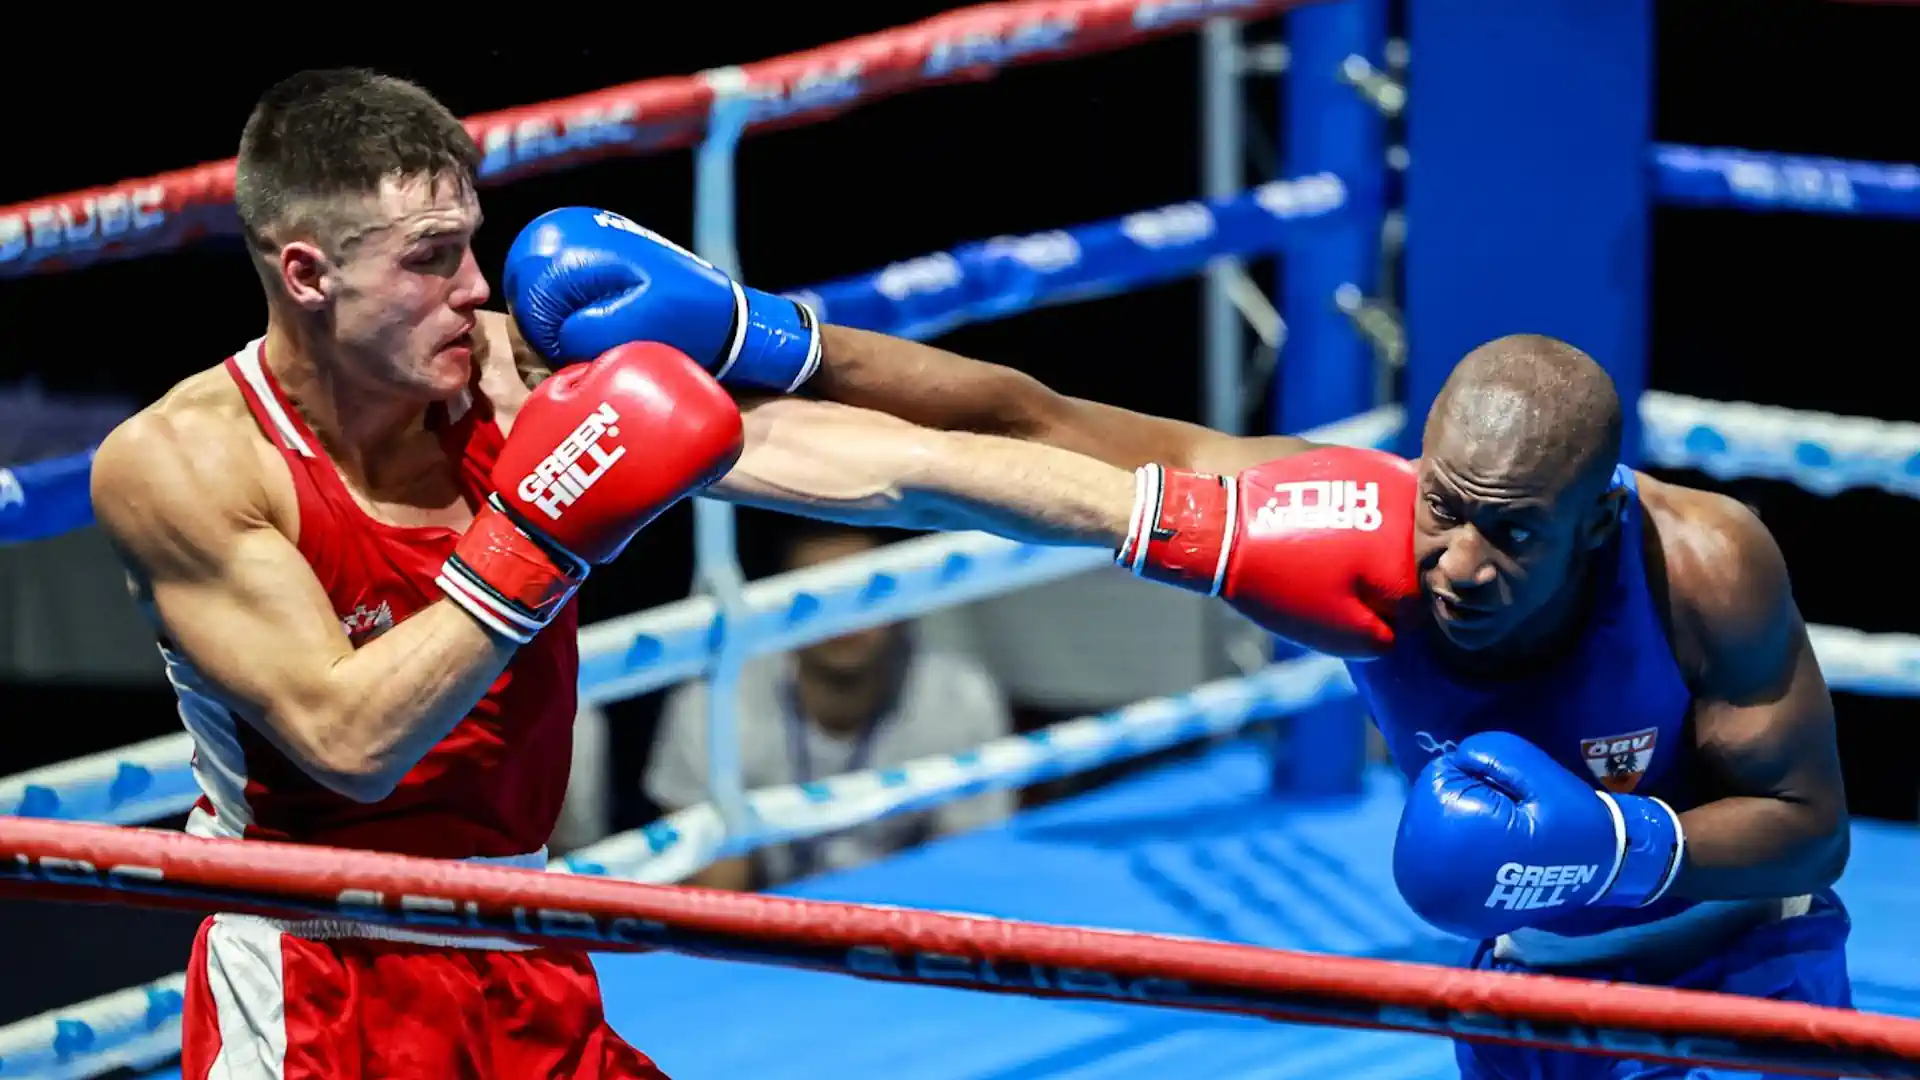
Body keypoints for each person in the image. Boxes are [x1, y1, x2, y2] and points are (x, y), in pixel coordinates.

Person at [511, 210, 1853, 1080]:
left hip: (1744, 955)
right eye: (1445, 508)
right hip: (1536, 993)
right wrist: (767, 341)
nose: (1458, 563)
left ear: (1597, 519)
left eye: (1510, 533)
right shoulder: (1352, 541)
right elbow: (1045, 431)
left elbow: (1809, 824)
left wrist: (1620, 843)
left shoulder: (1704, 568)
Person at [88, 70, 1140, 1080]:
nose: (477, 287)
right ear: (308, 274)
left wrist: (1164, 517)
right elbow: (346, 741)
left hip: (520, 944)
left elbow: (899, 466)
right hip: (318, 972)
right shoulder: (184, 463)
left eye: (473, 245)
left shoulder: (514, 379)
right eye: (430, 257)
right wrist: (537, 532)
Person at [645, 522, 1016, 890]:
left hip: (909, 927)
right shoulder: (714, 708)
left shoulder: (960, 697)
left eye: (866, 591)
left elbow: (967, 878)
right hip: (770, 935)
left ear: (903, 600)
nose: (842, 616)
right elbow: (714, 898)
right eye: (816, 597)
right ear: (776, 607)